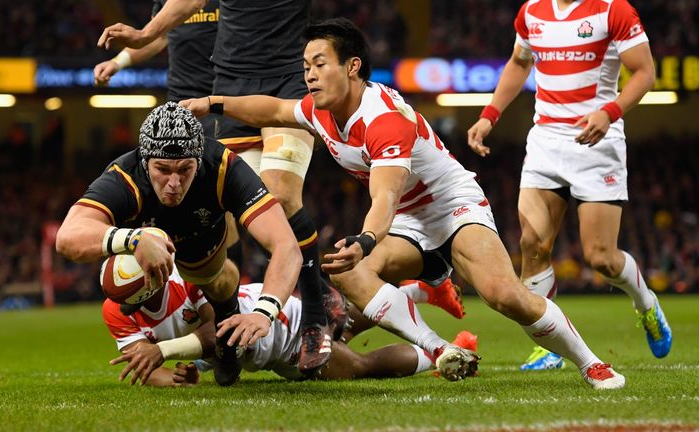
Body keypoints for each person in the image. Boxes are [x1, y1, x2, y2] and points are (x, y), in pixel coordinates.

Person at [181, 18, 627, 389]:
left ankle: (591, 363)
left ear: (352, 67)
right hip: (409, 218)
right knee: (348, 271)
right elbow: (273, 110)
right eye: (305, 66)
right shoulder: (320, 110)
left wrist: (367, 238)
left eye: (319, 64)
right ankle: (438, 348)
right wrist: (212, 103)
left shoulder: (385, 121)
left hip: (450, 206)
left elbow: (385, 196)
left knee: (504, 296)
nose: (309, 75)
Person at [96, 0, 335, 376]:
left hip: (285, 76)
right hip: (227, 85)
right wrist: (137, 42)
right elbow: (178, 13)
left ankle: (315, 313)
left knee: (279, 194)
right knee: (221, 229)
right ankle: (225, 334)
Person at [466, 0, 672, 371]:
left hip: (596, 143)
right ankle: (550, 346)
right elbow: (518, 62)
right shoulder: (532, 11)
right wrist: (489, 115)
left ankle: (646, 304)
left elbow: (645, 73)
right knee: (532, 244)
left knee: (601, 258)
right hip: (546, 140)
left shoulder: (613, 10)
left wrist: (609, 113)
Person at [55, 102, 302, 387]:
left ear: (199, 158)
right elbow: (67, 237)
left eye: (185, 169)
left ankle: (226, 333)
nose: (174, 182)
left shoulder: (223, 166)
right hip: (144, 243)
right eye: (162, 169)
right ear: (144, 161)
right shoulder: (124, 177)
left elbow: (286, 245)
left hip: (202, 239)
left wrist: (264, 312)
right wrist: (132, 238)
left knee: (218, 279)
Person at [102, 256, 477, 386]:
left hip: (274, 329)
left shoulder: (184, 280)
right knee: (345, 326)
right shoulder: (115, 310)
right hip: (257, 347)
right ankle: (422, 293)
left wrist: (164, 350)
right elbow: (144, 365)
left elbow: (217, 329)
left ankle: (451, 353)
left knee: (359, 366)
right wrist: (179, 381)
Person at [93, 0, 260, 277]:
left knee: (227, 201)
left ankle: (240, 286)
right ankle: (224, 285)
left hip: (222, 103)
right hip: (182, 112)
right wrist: (118, 61)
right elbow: (159, 37)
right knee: (206, 209)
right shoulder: (166, 3)